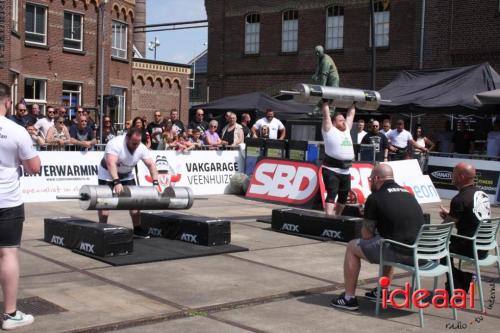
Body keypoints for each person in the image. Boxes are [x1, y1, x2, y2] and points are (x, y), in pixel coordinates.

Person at [331, 164, 425, 310]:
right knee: (388, 239)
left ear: (376, 179)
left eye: (370, 179)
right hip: (420, 253)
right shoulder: (408, 194)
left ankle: (349, 298)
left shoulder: (375, 198)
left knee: (352, 246)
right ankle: (383, 291)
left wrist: (367, 216)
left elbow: (367, 235)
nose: (369, 182)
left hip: (399, 252)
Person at [0, 82, 40, 329]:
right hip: (7, 200)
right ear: (6, 102)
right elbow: (34, 167)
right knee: (7, 253)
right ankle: (10, 314)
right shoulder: (16, 131)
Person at [97, 128, 160, 238]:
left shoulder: (141, 147)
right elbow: (111, 164)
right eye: (133, 143)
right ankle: (103, 228)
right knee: (104, 202)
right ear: (127, 138)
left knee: (135, 201)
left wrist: (155, 183)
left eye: (138, 143)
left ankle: (137, 228)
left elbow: (151, 165)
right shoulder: (115, 144)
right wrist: (116, 182)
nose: (136, 145)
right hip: (107, 173)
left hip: (127, 174)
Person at [439, 162, 491, 292]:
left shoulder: (459, 199)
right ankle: (459, 279)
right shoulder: (482, 193)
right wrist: (450, 216)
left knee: (439, 247)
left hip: (471, 247)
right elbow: (471, 220)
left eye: (454, 172)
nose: (451, 175)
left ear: (461, 177)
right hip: (485, 246)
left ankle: (457, 280)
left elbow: (444, 228)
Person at [321, 101, 355, 216]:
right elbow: (326, 115)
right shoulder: (329, 130)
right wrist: (325, 103)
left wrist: (353, 103)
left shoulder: (347, 130)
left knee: (344, 196)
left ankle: (338, 217)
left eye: (344, 120)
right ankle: (328, 218)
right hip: (331, 170)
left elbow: (351, 115)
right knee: (332, 193)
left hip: (345, 170)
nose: (344, 121)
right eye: (341, 120)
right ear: (334, 122)